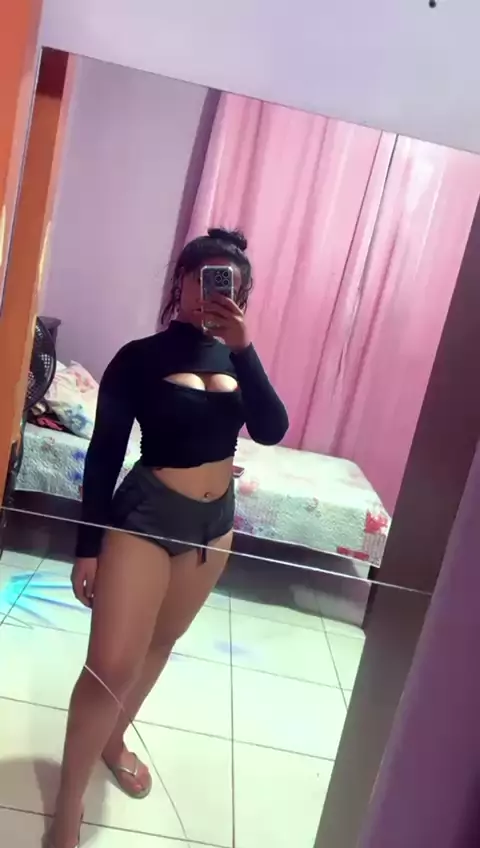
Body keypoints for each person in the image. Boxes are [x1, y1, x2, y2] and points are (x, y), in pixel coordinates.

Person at [47, 227, 289, 847]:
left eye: (228, 283)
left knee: (160, 644)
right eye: (202, 277)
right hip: (146, 518)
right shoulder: (139, 358)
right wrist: (87, 546)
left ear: (242, 295)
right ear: (180, 282)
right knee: (110, 665)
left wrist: (245, 349)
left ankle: (113, 741)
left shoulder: (238, 358)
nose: (212, 291)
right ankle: (68, 803)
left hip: (214, 527)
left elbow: (272, 429)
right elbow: (104, 455)